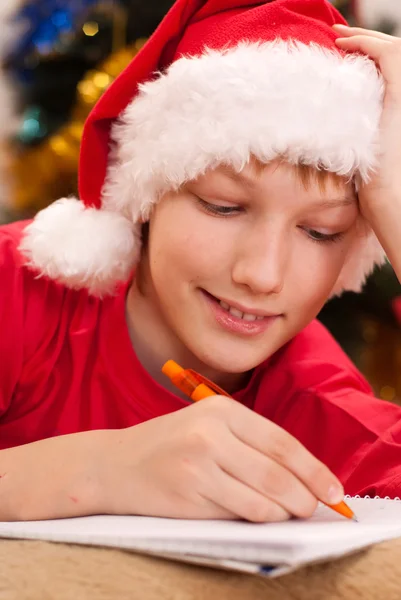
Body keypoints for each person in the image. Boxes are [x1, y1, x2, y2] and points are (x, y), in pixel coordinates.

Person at [1, 0, 401, 523]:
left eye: (321, 232)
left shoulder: (318, 401)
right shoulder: (18, 286)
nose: (261, 274)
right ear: (146, 192)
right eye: (223, 206)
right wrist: (99, 469)